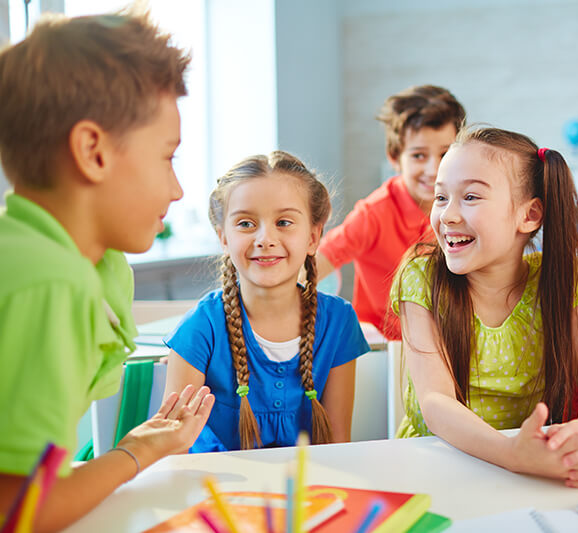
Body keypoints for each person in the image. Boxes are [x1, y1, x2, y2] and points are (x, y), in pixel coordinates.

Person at [0, 12, 214, 531]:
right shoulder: (51, 282)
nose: (178, 189)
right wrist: (133, 454)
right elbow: (20, 511)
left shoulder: (63, 260)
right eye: (167, 158)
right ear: (93, 152)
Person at [391, 126, 578, 487]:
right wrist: (512, 455)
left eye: (470, 197)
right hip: (436, 465)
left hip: (528, 469)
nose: (448, 215)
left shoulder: (558, 281)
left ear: (529, 216)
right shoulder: (421, 277)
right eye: (441, 198)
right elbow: (435, 402)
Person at [164, 153, 370, 450]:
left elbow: (337, 443)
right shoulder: (201, 327)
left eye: (284, 222)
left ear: (313, 237)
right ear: (223, 238)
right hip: (218, 491)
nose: (265, 238)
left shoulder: (338, 322)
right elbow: (174, 448)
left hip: (307, 491)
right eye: (246, 224)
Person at [316, 85, 466, 339]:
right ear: (395, 157)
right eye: (419, 155)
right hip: (385, 346)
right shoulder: (374, 214)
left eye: (445, 154)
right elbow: (319, 260)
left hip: (447, 339)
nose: (434, 169)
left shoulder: (465, 207)